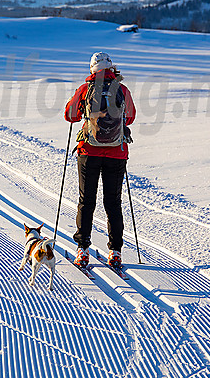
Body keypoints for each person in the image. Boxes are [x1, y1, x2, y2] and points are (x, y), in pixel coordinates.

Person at [64, 52, 136, 269]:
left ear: (92, 69)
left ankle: (82, 250)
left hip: (89, 151)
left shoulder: (85, 89)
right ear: (111, 68)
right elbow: (131, 116)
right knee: (113, 202)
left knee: (86, 201)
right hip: (116, 153)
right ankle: (115, 252)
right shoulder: (122, 90)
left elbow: (70, 115)